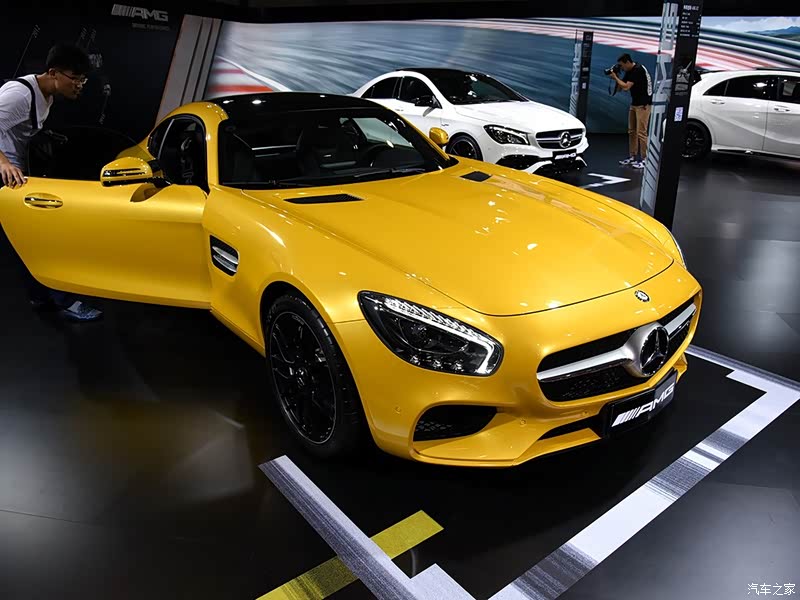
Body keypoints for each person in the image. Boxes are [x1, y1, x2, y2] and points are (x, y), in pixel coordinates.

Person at [0, 43, 103, 321]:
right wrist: (4, 163)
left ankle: (42, 296)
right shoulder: (20, 95)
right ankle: (63, 300)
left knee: (27, 241)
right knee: (36, 239)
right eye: (75, 79)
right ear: (53, 73)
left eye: (83, 80)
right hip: (5, 176)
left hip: (16, 175)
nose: (79, 85)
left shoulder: (46, 95)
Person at [609, 53, 653, 170]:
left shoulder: (638, 70)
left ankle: (645, 159)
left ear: (627, 62)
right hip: (635, 104)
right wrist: (616, 77)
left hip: (643, 105)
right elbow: (620, 88)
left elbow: (626, 87)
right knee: (632, 131)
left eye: (622, 65)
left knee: (641, 133)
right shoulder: (629, 71)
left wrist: (615, 78)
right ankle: (632, 156)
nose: (622, 68)